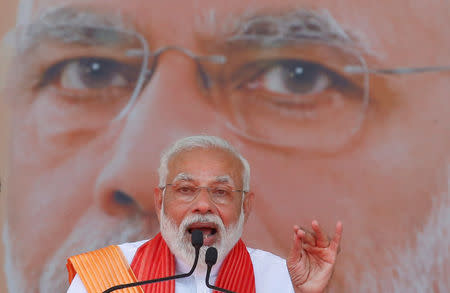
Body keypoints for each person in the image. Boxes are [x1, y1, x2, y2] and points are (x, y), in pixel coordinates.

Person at [1, 0, 449, 292]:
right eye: (89, 71)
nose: (139, 169)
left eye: (296, 78)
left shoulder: (271, 274)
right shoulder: (99, 275)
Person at [66, 135, 343, 292]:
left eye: (220, 192)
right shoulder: (106, 280)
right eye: (186, 189)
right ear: (160, 200)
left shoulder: (281, 279)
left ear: (245, 207)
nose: (203, 205)